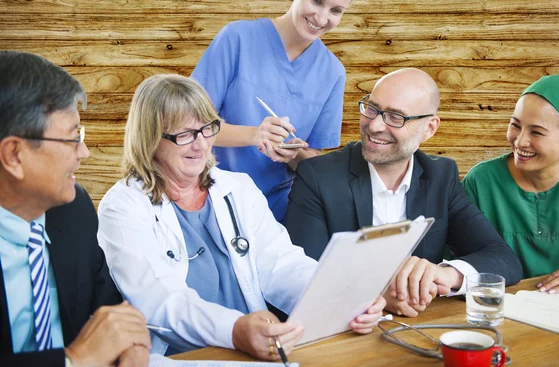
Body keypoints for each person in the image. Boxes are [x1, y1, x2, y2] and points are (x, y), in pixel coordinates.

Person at [97, 74, 384, 360]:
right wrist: (234, 330)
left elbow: (281, 264)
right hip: (178, 357)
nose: (200, 145)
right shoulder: (122, 206)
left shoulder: (238, 188)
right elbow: (159, 301)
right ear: (149, 137)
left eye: (207, 129)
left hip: (255, 347)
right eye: (183, 134)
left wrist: (339, 296)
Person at [285, 68, 522, 318]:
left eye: (395, 117)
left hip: (416, 327)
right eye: (372, 108)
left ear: (430, 128)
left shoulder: (440, 175)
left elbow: (504, 260)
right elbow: (303, 275)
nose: (374, 125)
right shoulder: (317, 176)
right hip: (340, 332)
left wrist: (444, 273)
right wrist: (376, 295)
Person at [0, 51, 150, 367]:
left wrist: (130, 344)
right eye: (73, 137)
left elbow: (107, 308)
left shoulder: (74, 209)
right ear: (14, 155)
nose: (84, 153)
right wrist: (76, 360)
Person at [190, 0, 360, 221]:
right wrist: (254, 135)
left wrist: (292, 154)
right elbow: (188, 126)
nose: (322, 18)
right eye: (316, 0)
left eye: (336, 10)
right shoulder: (237, 39)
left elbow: (311, 157)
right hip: (211, 200)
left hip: (278, 214)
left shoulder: (332, 72)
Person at [463, 74, 559, 296]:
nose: (520, 141)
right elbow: (460, 265)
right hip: (506, 316)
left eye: (536, 132)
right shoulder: (481, 182)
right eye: (515, 125)